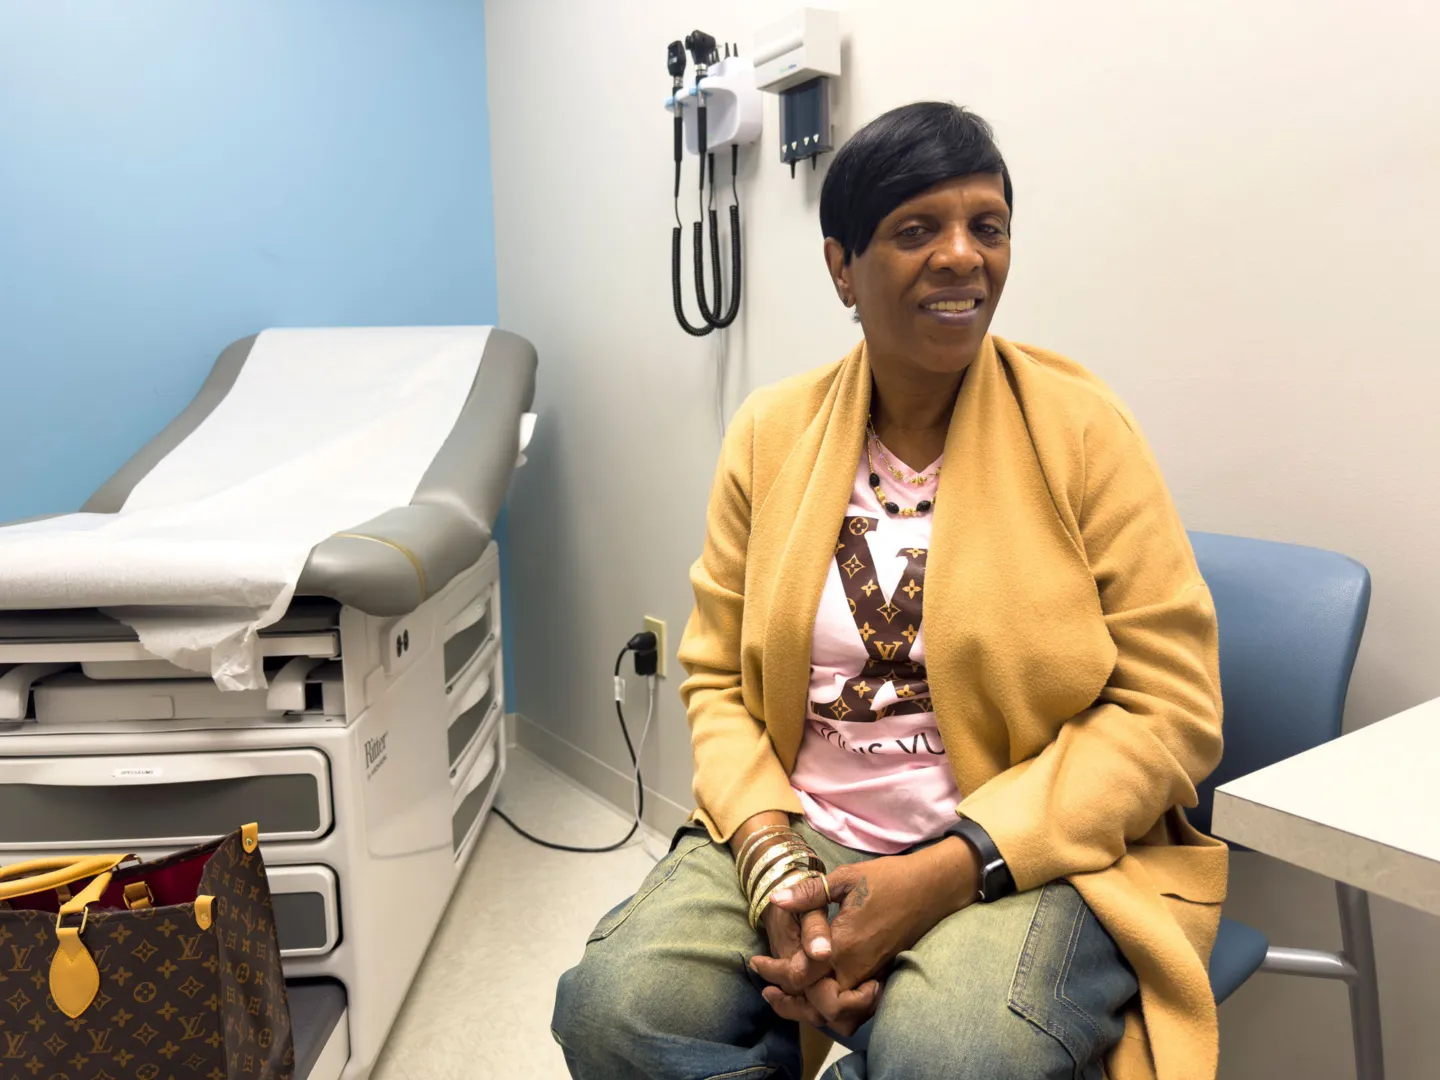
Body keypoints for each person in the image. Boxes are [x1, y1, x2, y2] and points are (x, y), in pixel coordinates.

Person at [552, 102, 1227, 1080]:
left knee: (944, 1057)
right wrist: (777, 866)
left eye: (986, 228)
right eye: (917, 231)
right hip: (806, 821)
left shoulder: (1083, 432)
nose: (962, 256)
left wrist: (947, 871)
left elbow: (1170, 709)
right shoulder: (770, 434)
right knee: (614, 1011)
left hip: (1020, 845)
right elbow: (714, 682)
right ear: (842, 268)